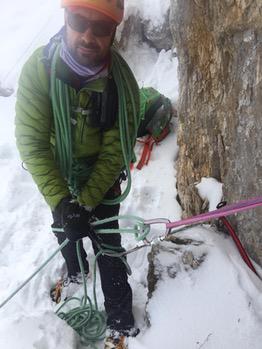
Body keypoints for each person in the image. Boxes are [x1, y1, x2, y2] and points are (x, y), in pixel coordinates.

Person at [15, 1, 140, 348]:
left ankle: (120, 320)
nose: (88, 34)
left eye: (100, 27)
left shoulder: (121, 84)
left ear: (113, 33)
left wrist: (84, 203)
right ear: (65, 19)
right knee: (64, 229)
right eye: (79, 21)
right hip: (59, 170)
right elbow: (33, 142)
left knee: (108, 244)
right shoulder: (40, 70)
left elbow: (116, 149)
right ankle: (76, 272)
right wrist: (62, 201)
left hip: (101, 177)